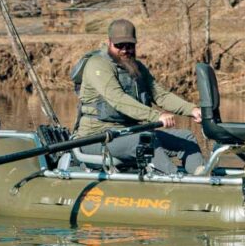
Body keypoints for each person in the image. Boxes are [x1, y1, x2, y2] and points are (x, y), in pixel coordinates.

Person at [72, 19, 204, 174]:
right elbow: (118, 99)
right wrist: (156, 115)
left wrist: (192, 109)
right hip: (97, 138)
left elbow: (160, 95)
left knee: (187, 137)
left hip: (129, 132)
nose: (125, 50)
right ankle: (175, 178)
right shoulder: (97, 65)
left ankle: (201, 176)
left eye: (130, 45)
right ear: (108, 42)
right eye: (119, 45)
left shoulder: (136, 67)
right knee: (144, 140)